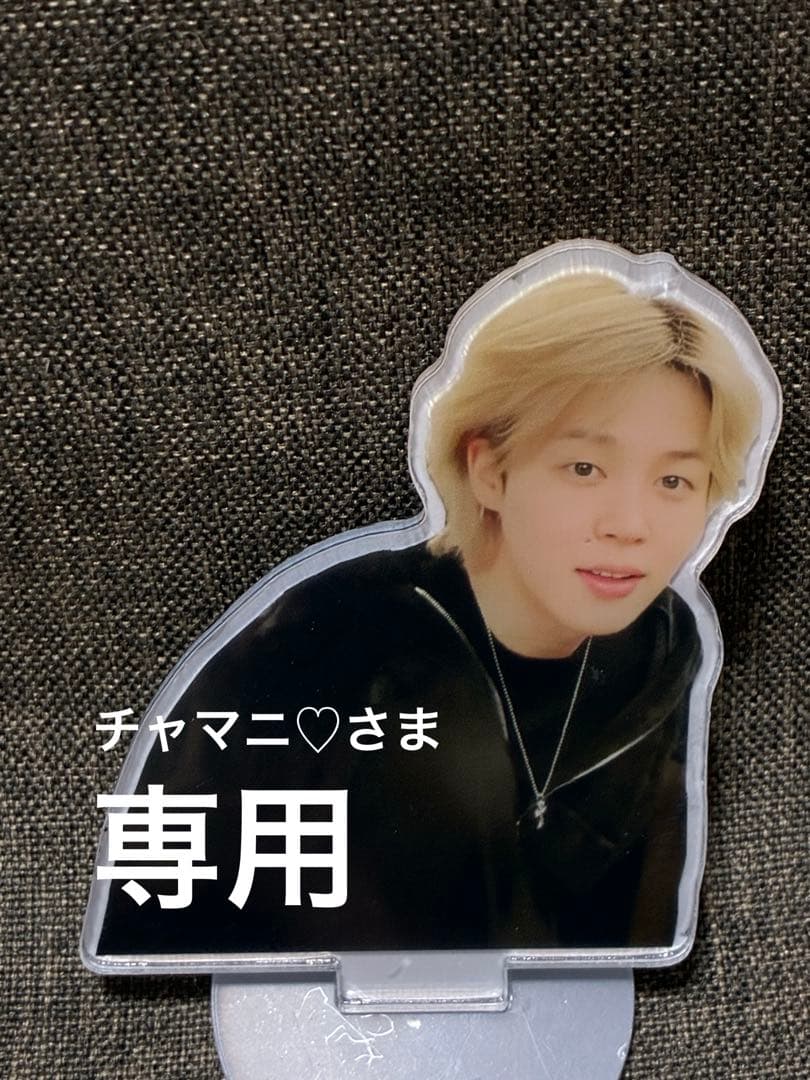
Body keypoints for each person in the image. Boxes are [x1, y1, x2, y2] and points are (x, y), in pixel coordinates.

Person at [86, 271, 761, 964]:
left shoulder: (662, 649)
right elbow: (155, 916)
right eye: (584, 468)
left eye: (674, 480)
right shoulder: (323, 641)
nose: (629, 524)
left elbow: (630, 928)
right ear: (488, 470)